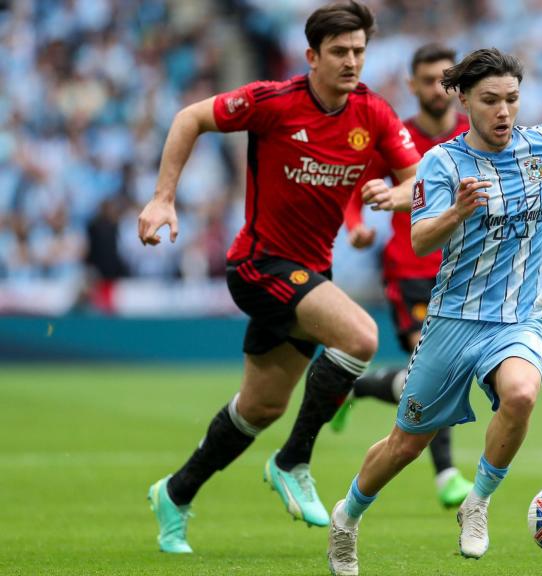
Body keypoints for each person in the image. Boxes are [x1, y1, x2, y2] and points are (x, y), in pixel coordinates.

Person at [138, 0, 420, 553]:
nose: (351, 61)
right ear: (312, 55)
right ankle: (293, 461)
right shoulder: (274, 101)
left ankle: (175, 491)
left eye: (359, 51)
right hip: (258, 264)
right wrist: (163, 197)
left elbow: (418, 179)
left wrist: (394, 194)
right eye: (339, 51)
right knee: (361, 336)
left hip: (310, 271)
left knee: (260, 406)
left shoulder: (375, 114)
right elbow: (189, 117)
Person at [325, 47, 542, 576]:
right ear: (464, 100)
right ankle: (348, 517)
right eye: (490, 100)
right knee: (407, 444)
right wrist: (457, 211)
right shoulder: (444, 163)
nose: (504, 111)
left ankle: (477, 502)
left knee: (520, 394)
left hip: (521, 317)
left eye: (512, 99)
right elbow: (421, 238)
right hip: (454, 320)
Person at [332, 43, 474, 509]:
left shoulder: (473, 140)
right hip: (409, 269)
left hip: (460, 272)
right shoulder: (398, 139)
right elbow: (357, 189)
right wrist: (355, 226)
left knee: (439, 373)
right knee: (438, 365)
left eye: (444, 79)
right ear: (412, 85)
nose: (438, 88)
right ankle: (448, 474)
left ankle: (357, 384)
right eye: (428, 79)